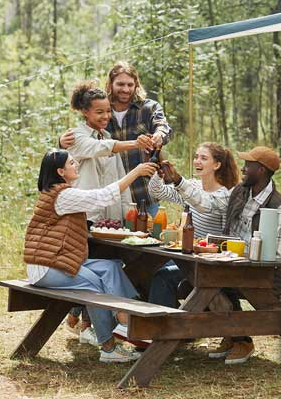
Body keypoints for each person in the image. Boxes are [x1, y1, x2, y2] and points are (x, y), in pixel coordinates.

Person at [158, 146, 281, 364]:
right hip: (230, 266)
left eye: (250, 165)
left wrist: (244, 256)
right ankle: (231, 335)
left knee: (204, 281)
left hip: (260, 274)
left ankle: (241, 340)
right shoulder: (239, 192)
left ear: (262, 171)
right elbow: (207, 204)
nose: (244, 169)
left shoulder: (277, 206)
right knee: (194, 276)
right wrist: (179, 181)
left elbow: (279, 254)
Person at [24, 149, 158, 363]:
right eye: (71, 162)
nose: (76, 164)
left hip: (58, 261)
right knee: (94, 287)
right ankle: (108, 347)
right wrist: (136, 172)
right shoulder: (63, 195)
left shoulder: (61, 192)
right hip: (46, 268)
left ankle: (125, 319)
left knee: (111, 267)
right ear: (60, 171)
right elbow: (102, 197)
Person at [60, 61, 172, 216]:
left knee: (149, 238)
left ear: (136, 85)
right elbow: (88, 144)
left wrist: (160, 135)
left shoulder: (147, 108)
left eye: (130, 85)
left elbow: (163, 127)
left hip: (144, 191)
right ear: (111, 84)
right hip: (109, 196)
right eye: (120, 84)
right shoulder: (101, 109)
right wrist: (60, 142)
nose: (125, 89)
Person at [146, 142, 240, 308]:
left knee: (162, 277)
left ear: (217, 165)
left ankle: (167, 329)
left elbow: (203, 203)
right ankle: (163, 325)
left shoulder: (226, 193)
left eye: (203, 158)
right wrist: (159, 174)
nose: (197, 161)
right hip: (189, 258)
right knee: (150, 269)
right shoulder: (193, 187)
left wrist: (178, 180)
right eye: (196, 157)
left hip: (212, 263)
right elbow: (157, 192)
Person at [66, 80, 155, 223]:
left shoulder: (108, 137)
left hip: (111, 218)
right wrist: (136, 143)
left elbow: (121, 180)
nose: (106, 116)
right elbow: (100, 148)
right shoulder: (75, 137)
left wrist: (129, 216)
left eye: (108, 111)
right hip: (86, 216)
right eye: (99, 112)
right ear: (85, 112)